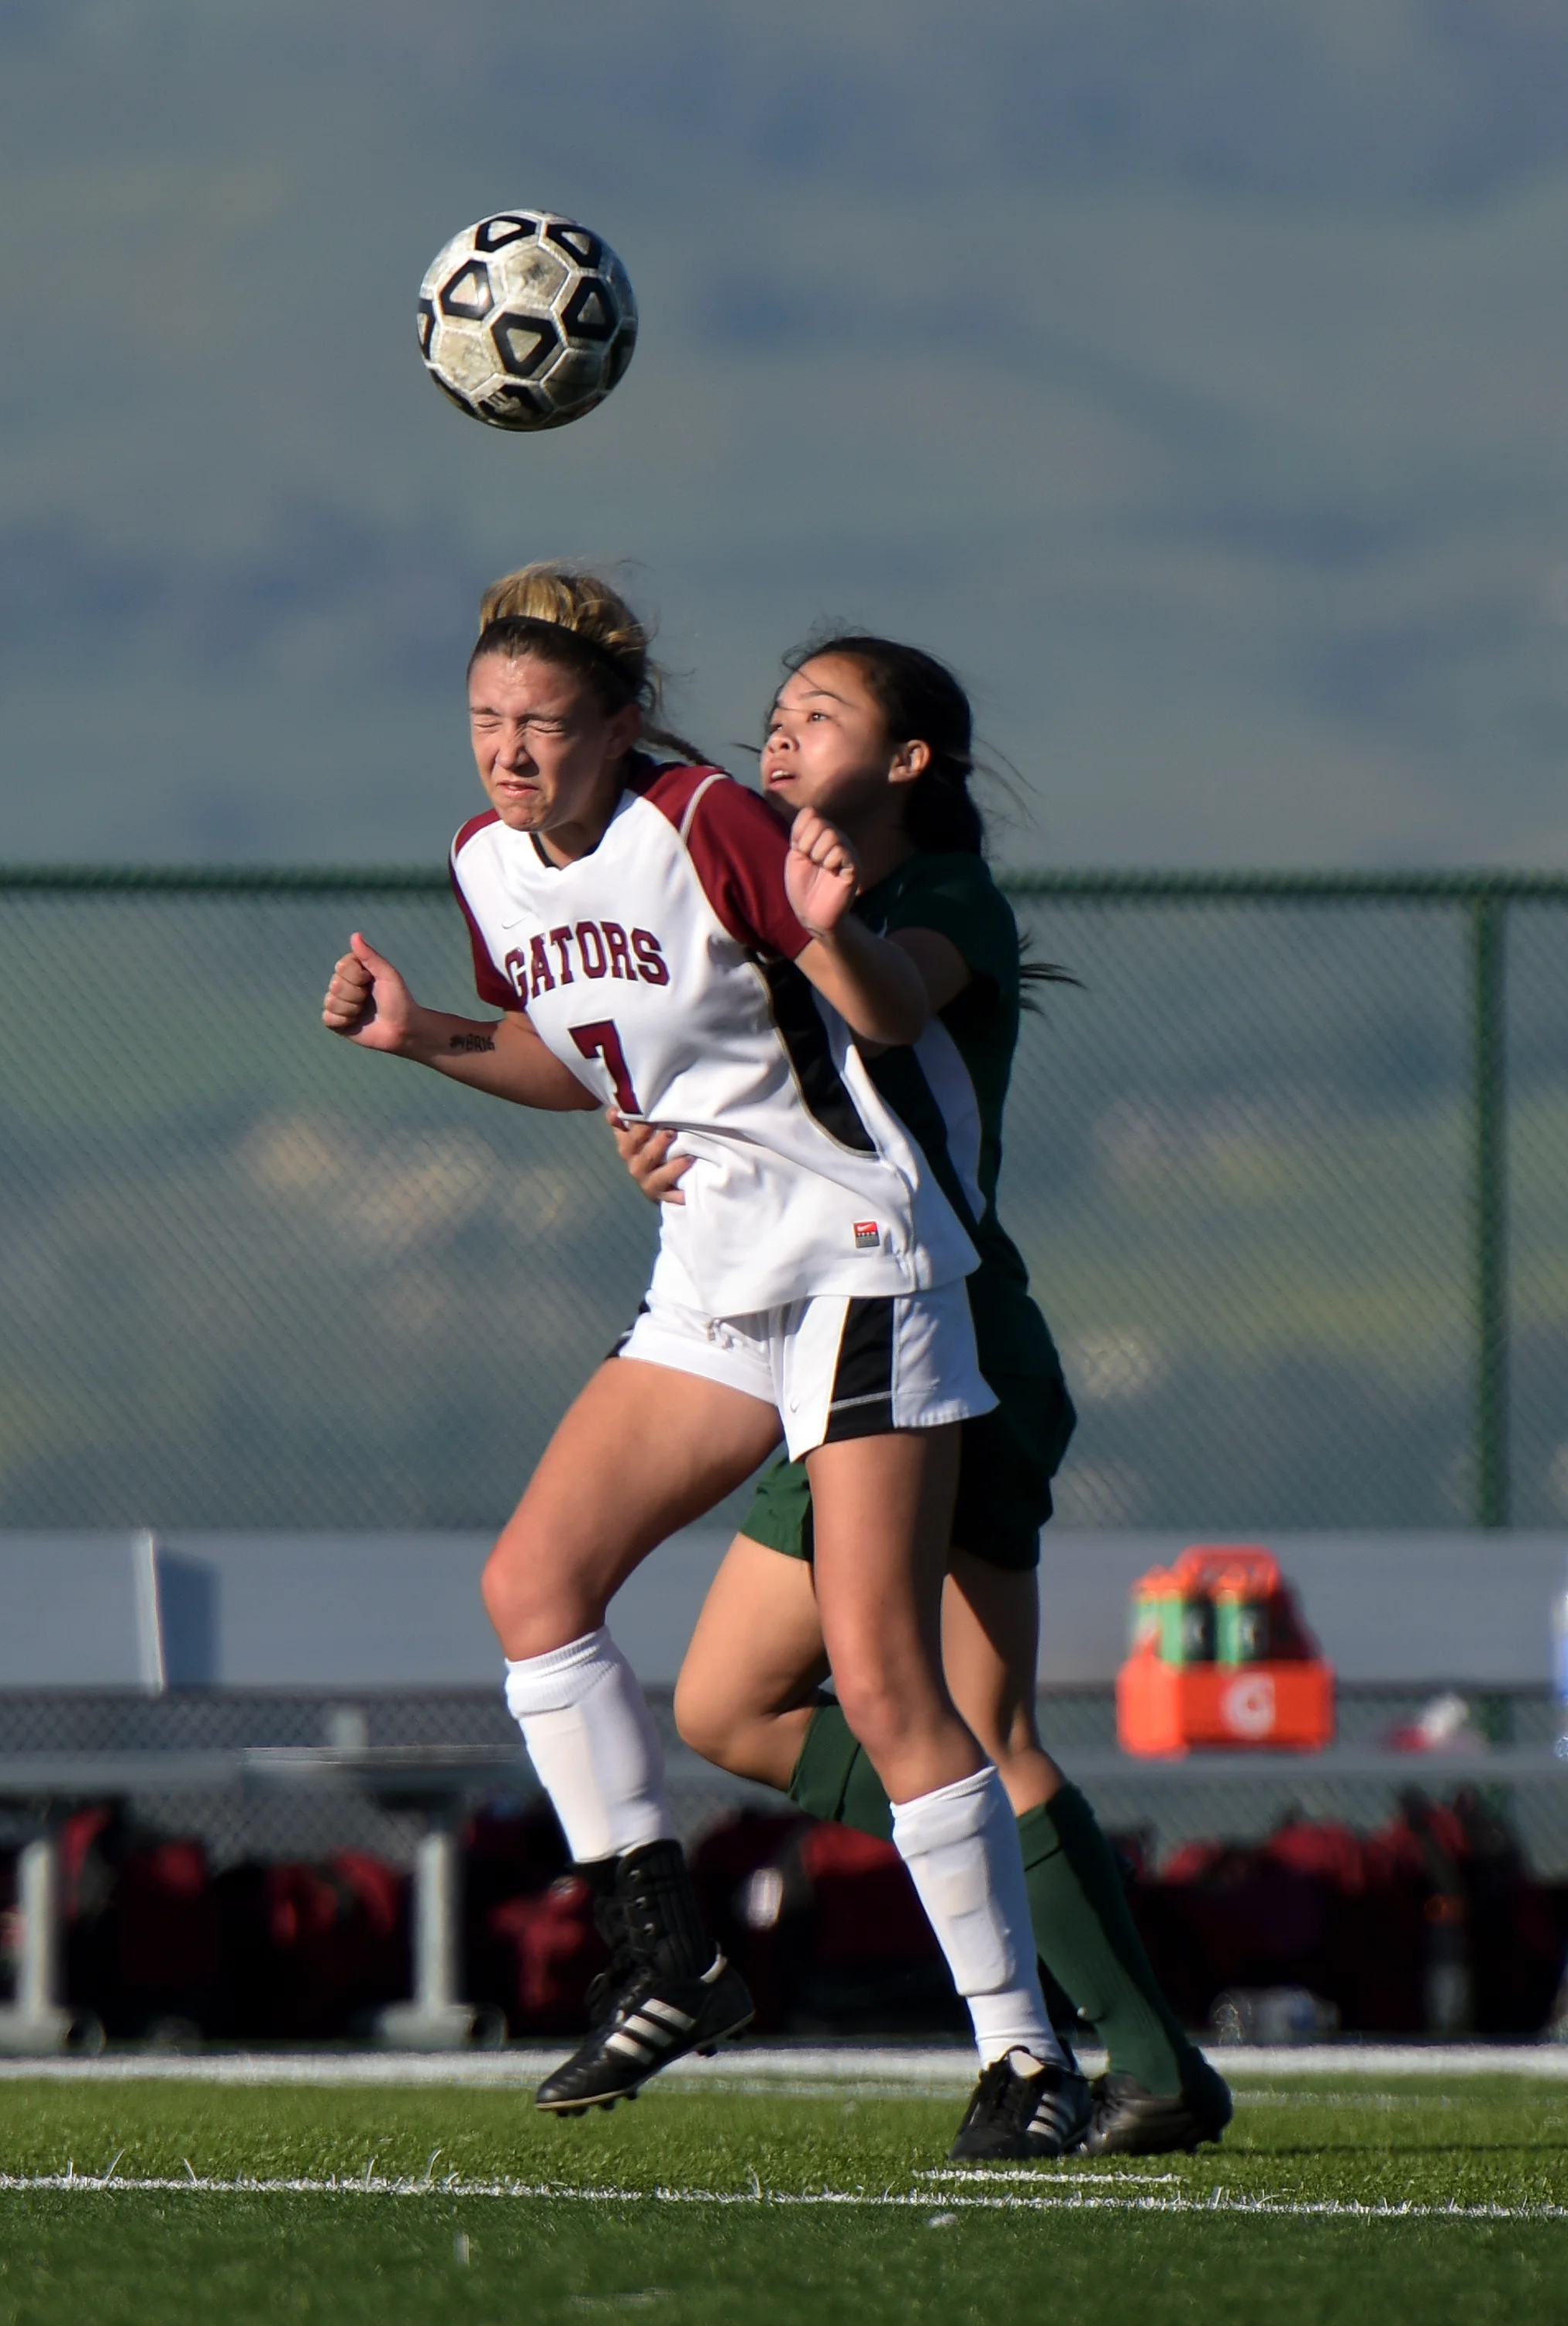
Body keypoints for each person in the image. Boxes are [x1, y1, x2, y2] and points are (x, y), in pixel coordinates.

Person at [322, 565, 1090, 2159]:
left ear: (622, 724)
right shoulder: (484, 865)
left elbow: (863, 1019)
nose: (510, 754)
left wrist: (821, 934)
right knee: (533, 1586)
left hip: (860, 1257)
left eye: (544, 723)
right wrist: (422, 1036)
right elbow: (575, 1049)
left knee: (883, 1680)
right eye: (485, 722)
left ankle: (1027, 2059)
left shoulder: (707, 822)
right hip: (714, 1279)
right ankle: (668, 1958)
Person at [610, 633, 1232, 2157]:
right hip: (819, 1338)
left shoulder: (936, 904)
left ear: (904, 767)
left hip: (948, 1336)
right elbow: (729, 1098)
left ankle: (1146, 2065)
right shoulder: (767, 909)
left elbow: (884, 1007)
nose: (778, 734)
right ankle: (1031, 1922)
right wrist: (659, 1138)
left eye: (819, 716)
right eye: (771, 715)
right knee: (728, 1708)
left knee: (975, 1723)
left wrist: (802, 920)